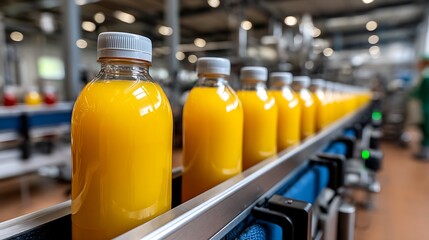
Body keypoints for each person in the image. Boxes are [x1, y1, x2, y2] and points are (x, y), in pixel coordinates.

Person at [413, 55, 429, 160]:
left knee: (426, 130)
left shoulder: (426, 75)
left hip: (426, 106)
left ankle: (425, 153)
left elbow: (419, 93)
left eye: (420, 63)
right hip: (425, 105)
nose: (418, 65)